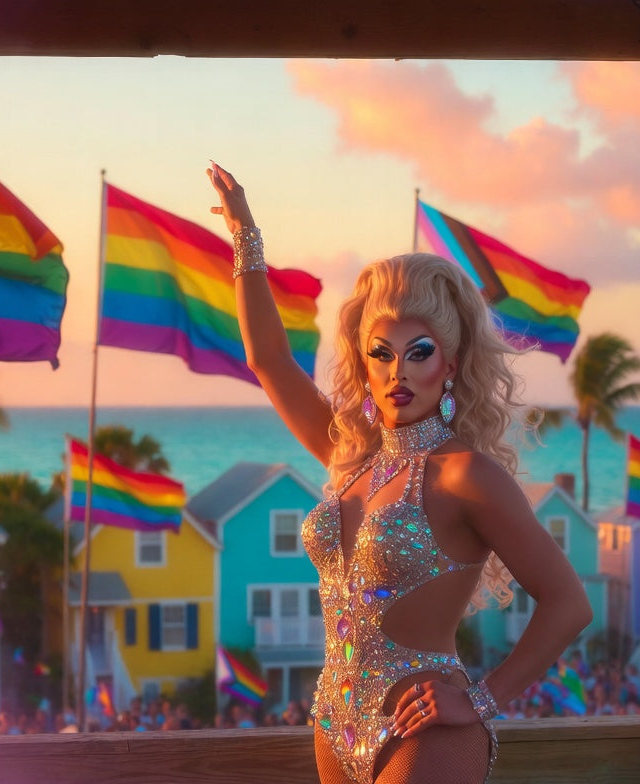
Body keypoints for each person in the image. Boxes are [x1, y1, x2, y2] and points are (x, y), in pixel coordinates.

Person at [206, 163, 592, 783]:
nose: (398, 373)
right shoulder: (350, 455)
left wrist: (481, 699)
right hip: (335, 726)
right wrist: (245, 238)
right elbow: (268, 360)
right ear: (365, 365)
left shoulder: (467, 475)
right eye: (381, 355)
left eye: (419, 353)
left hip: (427, 733)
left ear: (450, 365)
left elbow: (569, 604)